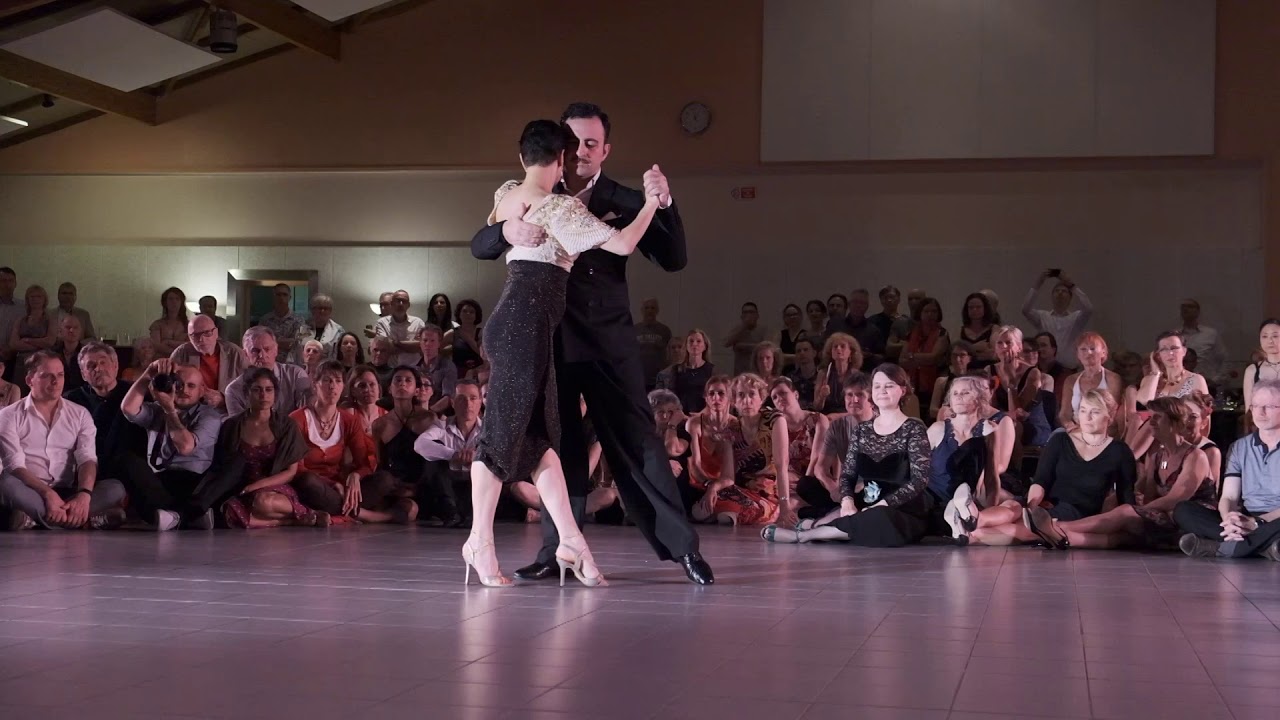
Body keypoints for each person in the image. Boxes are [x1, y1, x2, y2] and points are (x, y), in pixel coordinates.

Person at [463, 117, 663, 588]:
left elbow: (493, 227)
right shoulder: (558, 208)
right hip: (523, 329)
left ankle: (571, 542)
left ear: (522, 156)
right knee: (499, 439)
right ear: (559, 161)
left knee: (540, 440)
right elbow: (624, 244)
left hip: (522, 326)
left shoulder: (507, 193)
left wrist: (510, 227)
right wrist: (652, 203)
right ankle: (478, 543)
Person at [760, 364, 931, 547]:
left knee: (880, 518)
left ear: (902, 390)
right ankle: (825, 527)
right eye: (877, 386)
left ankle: (805, 536)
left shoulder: (914, 427)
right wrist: (847, 501)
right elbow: (848, 474)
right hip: (867, 500)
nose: (882, 390)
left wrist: (884, 503)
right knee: (856, 511)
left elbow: (919, 480)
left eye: (888, 386)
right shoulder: (862, 431)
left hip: (904, 507)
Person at [1025, 397, 1214, 550]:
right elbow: (1147, 493)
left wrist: (1136, 509)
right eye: (1151, 417)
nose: (1151, 422)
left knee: (1124, 513)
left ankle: (1056, 527)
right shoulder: (1157, 455)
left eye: (1158, 417)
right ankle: (1061, 538)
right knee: (1120, 527)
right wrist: (1135, 499)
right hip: (1163, 517)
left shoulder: (1195, 455)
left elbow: (1176, 499)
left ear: (1174, 422)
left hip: (1190, 521)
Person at [958, 390, 1136, 546]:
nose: (1087, 418)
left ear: (1109, 416)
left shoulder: (1120, 452)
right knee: (1013, 506)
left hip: (1076, 512)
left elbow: (1126, 498)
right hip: (1043, 502)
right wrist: (1032, 506)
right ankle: (974, 519)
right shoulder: (1060, 440)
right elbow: (1041, 480)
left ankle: (970, 534)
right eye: (1083, 411)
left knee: (1025, 528)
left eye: (1094, 412)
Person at [0, 352, 126, 530]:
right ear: (30, 380)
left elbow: (87, 459)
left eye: (60, 375)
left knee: (115, 488)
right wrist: (47, 493)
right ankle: (81, 519)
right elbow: (14, 465)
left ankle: (37, 519)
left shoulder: (80, 414)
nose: (56, 381)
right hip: (31, 489)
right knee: (5, 482)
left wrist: (84, 495)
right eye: (47, 376)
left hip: (67, 491)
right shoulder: (9, 415)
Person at [291, 361, 415, 525]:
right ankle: (366, 515)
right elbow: (297, 468)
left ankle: (338, 514)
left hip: (340, 489)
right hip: (315, 486)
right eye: (327, 381)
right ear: (315, 385)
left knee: (385, 479)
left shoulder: (348, 420)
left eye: (338, 381)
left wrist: (356, 475)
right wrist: (332, 483)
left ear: (343, 386)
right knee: (307, 481)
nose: (332, 386)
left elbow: (364, 462)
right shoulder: (297, 419)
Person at [1176, 380, 1280, 561]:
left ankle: (1222, 548)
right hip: (1246, 516)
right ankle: (1264, 548)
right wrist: (1229, 520)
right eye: (1255, 406)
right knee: (1183, 510)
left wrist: (1257, 523)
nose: (1260, 413)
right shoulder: (1240, 447)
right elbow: (1229, 497)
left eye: (1269, 407)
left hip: (1275, 518)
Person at [119, 360, 225, 530]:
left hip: (193, 483)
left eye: (191, 386)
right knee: (125, 460)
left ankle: (177, 516)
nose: (184, 390)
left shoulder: (209, 416)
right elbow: (128, 408)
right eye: (179, 384)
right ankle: (189, 517)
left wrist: (170, 410)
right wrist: (148, 374)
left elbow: (185, 447)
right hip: (160, 482)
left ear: (202, 391)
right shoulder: (157, 409)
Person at [216, 368, 327, 529]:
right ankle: (287, 521)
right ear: (247, 393)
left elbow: (290, 472)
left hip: (274, 487)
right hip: (241, 487)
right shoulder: (232, 425)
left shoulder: (286, 425)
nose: (263, 395)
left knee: (263, 502)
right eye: (257, 390)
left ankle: (306, 512)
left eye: (269, 390)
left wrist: (255, 486)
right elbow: (223, 465)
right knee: (227, 513)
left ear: (275, 393)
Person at [930, 375, 1015, 537]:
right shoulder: (937, 429)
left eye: (965, 393)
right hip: (938, 500)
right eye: (955, 393)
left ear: (979, 399)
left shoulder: (990, 430)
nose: (959, 397)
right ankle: (968, 525)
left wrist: (991, 509)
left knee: (1014, 508)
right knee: (1010, 519)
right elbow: (918, 470)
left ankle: (972, 523)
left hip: (970, 500)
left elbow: (991, 476)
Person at [694, 373, 781, 526]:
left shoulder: (773, 421)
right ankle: (726, 512)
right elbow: (728, 476)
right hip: (740, 490)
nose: (747, 401)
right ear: (734, 401)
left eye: (752, 394)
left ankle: (733, 513)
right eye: (741, 395)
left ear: (761, 398)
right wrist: (714, 487)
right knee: (699, 511)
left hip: (769, 493)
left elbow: (782, 466)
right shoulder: (732, 429)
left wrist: (785, 505)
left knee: (724, 516)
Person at [800, 373, 875, 519]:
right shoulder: (837, 426)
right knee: (805, 485)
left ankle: (828, 513)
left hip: (871, 486)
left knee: (872, 493)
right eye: (849, 395)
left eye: (860, 395)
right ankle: (837, 511)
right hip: (846, 488)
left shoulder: (882, 423)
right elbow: (820, 468)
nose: (854, 400)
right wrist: (832, 487)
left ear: (871, 400)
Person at [414, 378, 485, 526]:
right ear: (452, 403)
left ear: (480, 402)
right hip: (447, 487)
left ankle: (470, 514)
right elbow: (420, 444)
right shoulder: (442, 425)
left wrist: (477, 456)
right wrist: (453, 455)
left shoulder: (488, 429)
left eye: (473, 398)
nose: (468, 404)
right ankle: (450, 510)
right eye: (461, 399)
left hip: (475, 486)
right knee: (433, 459)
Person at [224, 327, 311, 415]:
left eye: (267, 349)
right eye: (255, 351)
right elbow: (238, 427)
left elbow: (307, 416)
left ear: (276, 350)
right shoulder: (234, 390)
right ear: (246, 354)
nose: (262, 355)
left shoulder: (296, 375)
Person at [170, 314, 248, 409]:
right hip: (190, 409)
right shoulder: (181, 353)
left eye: (207, 333)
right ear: (189, 337)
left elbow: (248, 390)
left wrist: (224, 399)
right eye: (195, 335)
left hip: (226, 410)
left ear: (216, 333)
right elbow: (169, 385)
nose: (201, 339)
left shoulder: (235, 353)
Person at [1020, 269, 1092, 368]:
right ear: (1052, 296)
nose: (1060, 293)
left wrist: (1072, 286)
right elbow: (1025, 310)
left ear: (1070, 297)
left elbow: (1088, 308)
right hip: (1045, 366)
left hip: (1068, 368)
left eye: (1064, 291)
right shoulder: (1043, 316)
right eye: (1057, 291)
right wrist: (1038, 284)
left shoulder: (1075, 318)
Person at [685, 375, 736, 514]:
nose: (716, 398)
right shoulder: (695, 423)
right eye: (711, 393)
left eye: (721, 393)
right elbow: (695, 465)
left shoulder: (736, 425)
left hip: (725, 484)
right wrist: (709, 485)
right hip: (699, 483)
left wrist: (716, 486)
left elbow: (731, 472)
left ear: (729, 398)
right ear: (706, 398)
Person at [1057, 332, 1123, 433]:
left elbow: (1113, 411)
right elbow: (1064, 414)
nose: (1088, 353)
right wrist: (1069, 426)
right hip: (1075, 430)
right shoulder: (1071, 380)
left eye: (1093, 349)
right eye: (1083, 349)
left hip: (1103, 430)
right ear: (1078, 354)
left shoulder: (1113, 378)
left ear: (1103, 353)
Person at [656, 329, 714, 414]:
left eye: (698, 341)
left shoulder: (712, 370)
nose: (694, 344)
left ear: (705, 346)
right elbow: (669, 396)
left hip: (703, 418)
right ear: (686, 345)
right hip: (679, 416)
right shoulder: (675, 370)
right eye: (691, 341)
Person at [1178, 298, 1228, 389]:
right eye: (1183, 307)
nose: (1186, 309)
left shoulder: (1210, 334)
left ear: (1197, 311)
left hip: (1207, 385)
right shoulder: (1175, 336)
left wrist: (1215, 380)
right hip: (1181, 385)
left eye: (1190, 307)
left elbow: (1223, 359)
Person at [814, 333, 863, 415]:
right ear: (831, 352)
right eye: (835, 347)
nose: (838, 349)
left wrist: (838, 416)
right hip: (827, 417)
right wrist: (822, 396)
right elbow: (817, 407)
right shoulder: (823, 374)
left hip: (849, 417)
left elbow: (860, 407)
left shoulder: (856, 375)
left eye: (842, 346)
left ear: (851, 352)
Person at [375, 290, 427, 367]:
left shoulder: (418, 323)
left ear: (408, 305)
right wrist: (411, 346)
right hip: (389, 369)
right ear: (392, 303)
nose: (401, 304)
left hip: (415, 368)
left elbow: (422, 346)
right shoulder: (381, 323)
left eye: (404, 301)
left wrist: (395, 343)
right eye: (398, 301)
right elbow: (385, 348)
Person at [256, 284, 304, 363]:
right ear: (273, 297)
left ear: (289, 298)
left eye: (284, 295)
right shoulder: (265, 320)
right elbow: (260, 342)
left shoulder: (298, 320)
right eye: (278, 294)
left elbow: (296, 343)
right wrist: (285, 342)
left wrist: (271, 342)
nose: (281, 298)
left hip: (290, 364)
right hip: (268, 363)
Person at [929, 341, 974, 423]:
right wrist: (953, 414)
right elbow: (932, 410)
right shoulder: (941, 382)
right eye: (954, 355)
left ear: (969, 358)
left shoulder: (976, 383)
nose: (957, 359)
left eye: (962, 355)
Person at [1243, 318, 1280, 414]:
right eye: (1264, 336)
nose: (1270, 340)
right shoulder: (1252, 370)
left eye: (1275, 336)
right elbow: (1249, 409)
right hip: (1262, 426)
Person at [634, 298, 672, 391]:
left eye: (652, 308)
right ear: (642, 310)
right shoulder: (634, 330)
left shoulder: (664, 330)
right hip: (639, 377)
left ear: (657, 311)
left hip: (658, 378)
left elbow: (670, 354)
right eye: (647, 308)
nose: (650, 310)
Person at [296, 294, 344, 364]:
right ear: (312, 310)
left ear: (330, 311)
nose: (322, 311)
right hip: (304, 369)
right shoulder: (302, 328)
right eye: (319, 308)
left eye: (326, 308)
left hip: (328, 369)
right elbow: (296, 352)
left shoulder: (338, 331)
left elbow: (340, 355)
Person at [443, 299, 484, 378]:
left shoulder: (481, 332)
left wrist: (467, 338)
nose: (468, 314)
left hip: (478, 373)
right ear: (459, 314)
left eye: (472, 312)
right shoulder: (452, 333)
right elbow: (436, 348)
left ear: (476, 315)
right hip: (458, 375)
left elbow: (484, 355)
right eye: (464, 311)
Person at [723, 301, 767, 375]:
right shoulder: (737, 330)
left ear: (757, 315)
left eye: (751, 312)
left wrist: (741, 346)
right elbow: (725, 343)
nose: (748, 315)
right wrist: (744, 326)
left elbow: (766, 348)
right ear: (741, 316)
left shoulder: (764, 330)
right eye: (745, 312)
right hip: (740, 374)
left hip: (758, 374)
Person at [958, 292, 997, 369]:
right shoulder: (960, 330)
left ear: (985, 309)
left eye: (978, 307)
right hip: (966, 373)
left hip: (987, 372)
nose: (974, 310)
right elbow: (955, 354)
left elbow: (994, 355)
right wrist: (974, 348)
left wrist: (968, 353)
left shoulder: (994, 329)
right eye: (971, 307)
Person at [149, 287, 190, 358]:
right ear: (165, 302)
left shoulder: (188, 325)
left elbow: (190, 345)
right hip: (161, 361)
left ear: (181, 302)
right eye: (170, 299)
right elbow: (156, 345)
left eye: (177, 299)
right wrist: (176, 352)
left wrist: (169, 342)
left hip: (183, 363)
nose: (174, 302)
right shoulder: (157, 324)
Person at [787, 337, 820, 410]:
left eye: (806, 350)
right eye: (799, 351)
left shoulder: (822, 375)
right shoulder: (790, 378)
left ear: (814, 353)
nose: (802, 353)